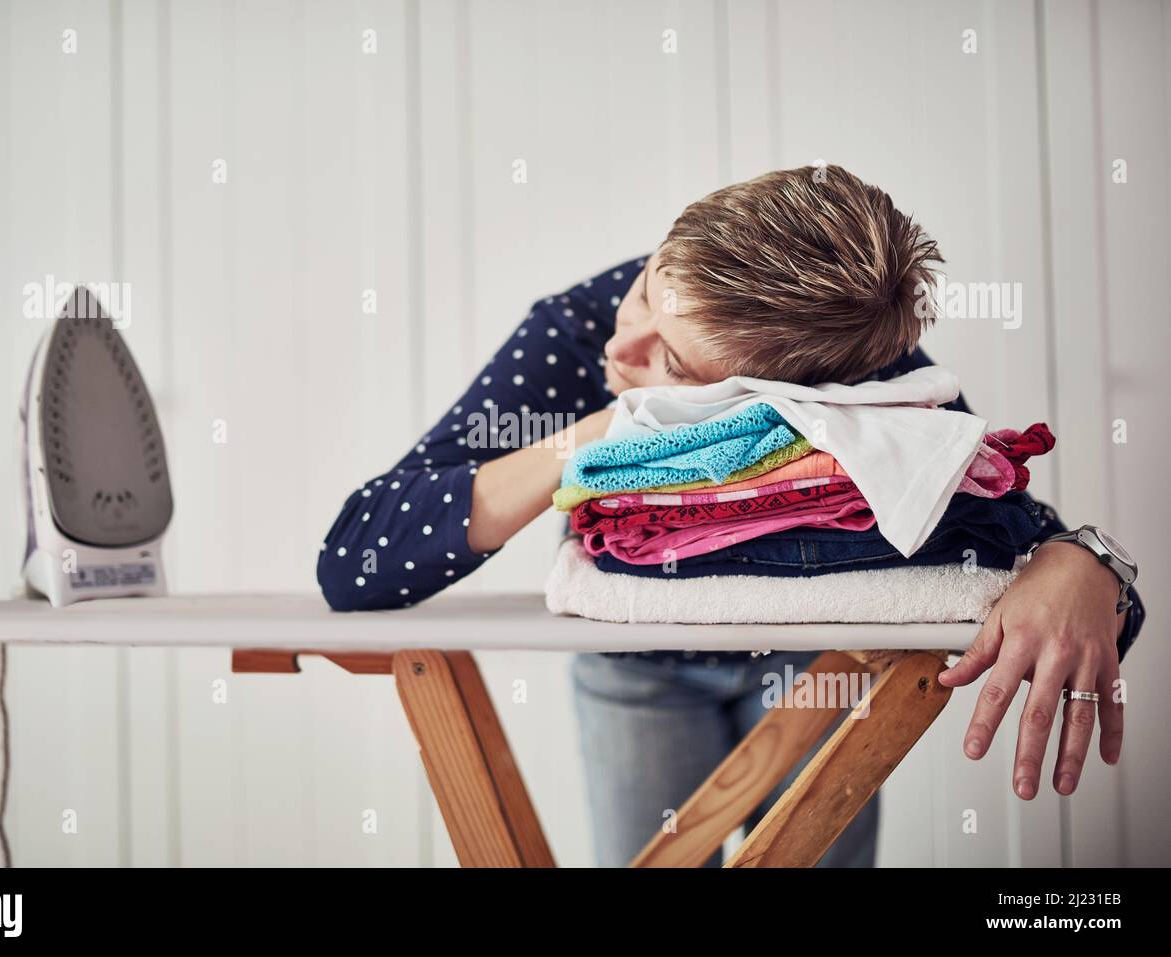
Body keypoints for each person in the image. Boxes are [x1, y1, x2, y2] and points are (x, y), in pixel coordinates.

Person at [316, 165, 1144, 867]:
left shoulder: (868, 367)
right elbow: (356, 559)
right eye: (646, 289)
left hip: (828, 659)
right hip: (638, 664)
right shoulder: (583, 327)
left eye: (670, 362)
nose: (623, 347)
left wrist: (1086, 564)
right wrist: (607, 432)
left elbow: (1012, 530)